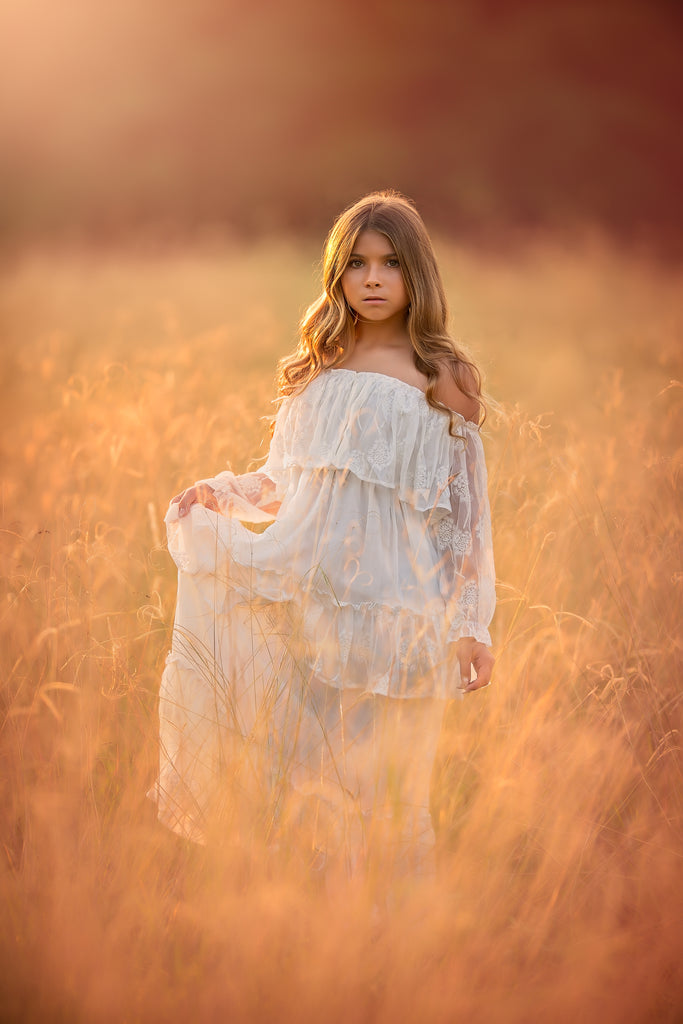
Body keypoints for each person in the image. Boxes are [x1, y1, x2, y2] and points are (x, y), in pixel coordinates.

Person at [150, 190, 495, 883]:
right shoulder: (319, 372)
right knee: (317, 790)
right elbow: (285, 482)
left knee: (395, 798)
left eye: (391, 264)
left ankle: (400, 947)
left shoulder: (442, 377)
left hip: (400, 616)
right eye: (357, 264)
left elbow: (463, 516)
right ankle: (328, 949)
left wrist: (471, 624)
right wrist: (221, 493)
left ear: (416, 274)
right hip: (314, 610)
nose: (372, 279)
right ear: (336, 275)